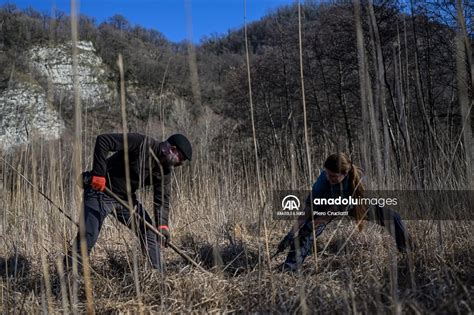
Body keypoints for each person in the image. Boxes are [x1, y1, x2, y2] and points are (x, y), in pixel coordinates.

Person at [67, 133, 192, 273]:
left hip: (126, 199)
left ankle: (160, 278)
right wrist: (98, 174)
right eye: (180, 159)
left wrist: (162, 226)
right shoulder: (141, 143)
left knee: (150, 232)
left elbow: (162, 200)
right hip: (100, 192)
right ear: (172, 149)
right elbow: (103, 140)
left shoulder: (165, 172)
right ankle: (70, 273)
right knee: (89, 234)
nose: (179, 164)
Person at [280, 153, 412, 272]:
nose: (328, 177)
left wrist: (315, 223)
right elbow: (308, 209)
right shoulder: (323, 180)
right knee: (306, 231)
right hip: (326, 201)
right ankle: (289, 268)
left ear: (344, 174)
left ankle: (409, 253)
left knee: (392, 217)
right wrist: (291, 233)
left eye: (333, 176)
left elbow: (333, 211)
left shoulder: (357, 179)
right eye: (326, 173)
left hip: (354, 203)